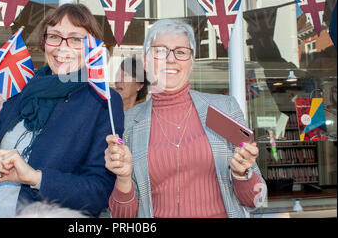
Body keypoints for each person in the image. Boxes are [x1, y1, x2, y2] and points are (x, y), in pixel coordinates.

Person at [0, 3, 124, 218]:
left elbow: (99, 191)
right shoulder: (21, 91)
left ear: (91, 47)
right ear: (44, 42)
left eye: (75, 39)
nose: (61, 48)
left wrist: (36, 178)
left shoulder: (102, 101)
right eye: (54, 36)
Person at [104, 18, 266, 218]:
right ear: (145, 62)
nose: (170, 59)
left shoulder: (224, 109)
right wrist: (123, 178)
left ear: (191, 62)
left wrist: (242, 174)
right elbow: (122, 217)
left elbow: (257, 200)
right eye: (160, 51)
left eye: (180, 52)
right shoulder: (128, 123)